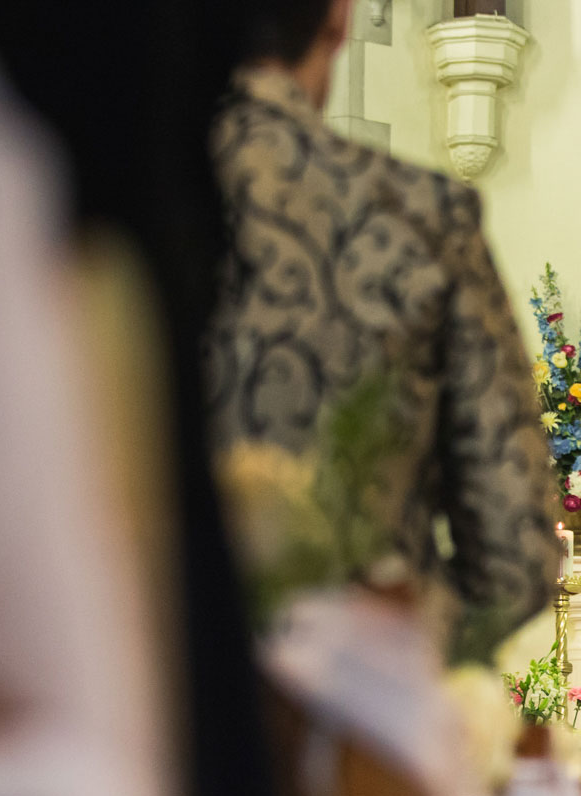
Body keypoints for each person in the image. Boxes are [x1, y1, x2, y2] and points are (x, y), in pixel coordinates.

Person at [209, 0, 560, 663]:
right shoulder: (420, 216)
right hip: (353, 737)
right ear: (339, 18)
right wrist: (382, 666)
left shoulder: (75, 213)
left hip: (144, 729)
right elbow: (518, 556)